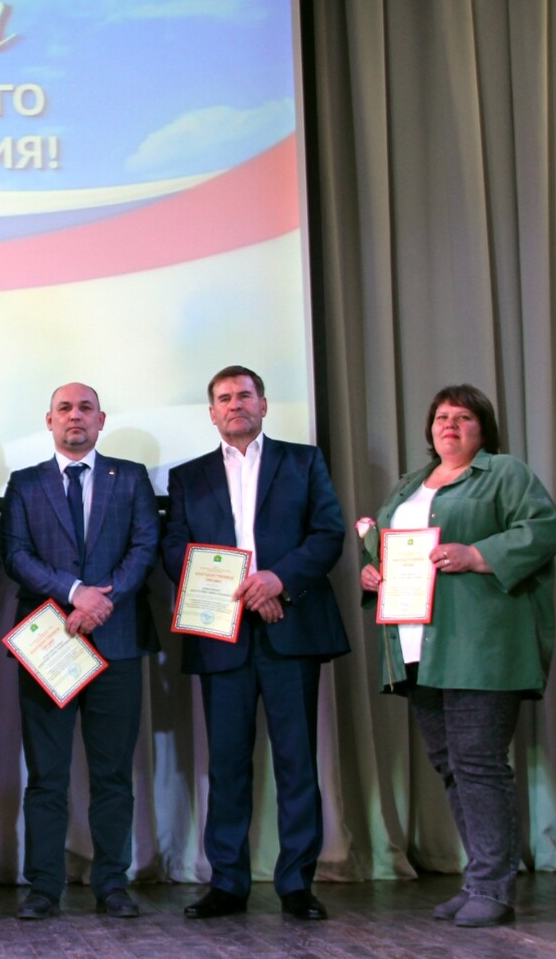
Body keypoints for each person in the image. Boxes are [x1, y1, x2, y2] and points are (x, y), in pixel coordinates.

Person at [360, 384, 556, 928]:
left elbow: (543, 531)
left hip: (479, 643)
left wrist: (476, 553)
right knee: (451, 764)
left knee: (479, 763)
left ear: (482, 428)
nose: (449, 424)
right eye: (441, 416)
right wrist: (373, 572)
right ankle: (478, 881)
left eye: (463, 416)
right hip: (416, 643)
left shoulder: (504, 473)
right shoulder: (410, 484)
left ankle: (494, 888)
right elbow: (391, 547)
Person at [161, 365, 347, 921]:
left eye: (245, 395)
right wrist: (242, 590)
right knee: (227, 765)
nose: (235, 405)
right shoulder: (188, 476)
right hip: (223, 633)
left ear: (263, 405)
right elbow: (174, 549)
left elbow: (328, 533)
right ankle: (227, 884)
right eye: (224, 398)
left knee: (297, 762)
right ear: (212, 413)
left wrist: (277, 581)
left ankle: (296, 885)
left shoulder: (303, 461)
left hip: (291, 629)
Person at [1, 382, 160, 920]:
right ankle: (43, 887)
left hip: (117, 639)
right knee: (46, 775)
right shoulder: (24, 483)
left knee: (112, 775)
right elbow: (15, 554)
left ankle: (112, 884)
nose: (75, 416)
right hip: (50, 641)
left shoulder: (131, 477)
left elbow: (145, 546)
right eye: (65, 408)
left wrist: (100, 601)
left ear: (101, 419)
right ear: (49, 420)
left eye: (85, 408)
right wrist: (74, 593)